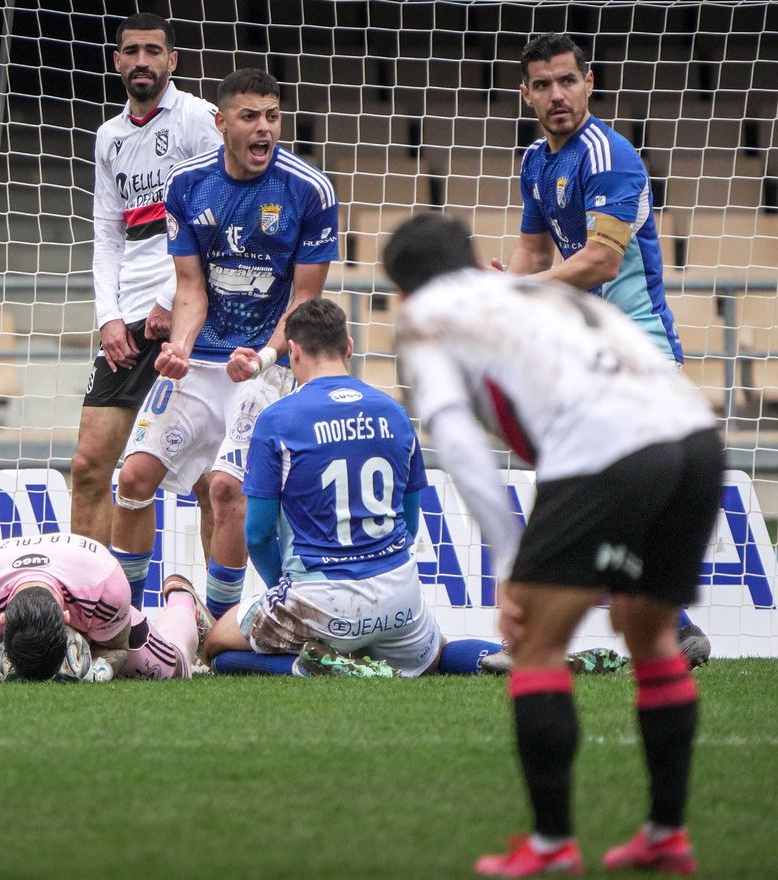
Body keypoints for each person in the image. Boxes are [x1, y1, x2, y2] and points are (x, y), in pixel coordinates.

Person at [384, 213, 723, 876]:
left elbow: (455, 440)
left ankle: (551, 844)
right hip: (695, 439)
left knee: (535, 643)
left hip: (607, 449)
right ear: (478, 262)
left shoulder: (427, 315)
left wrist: (510, 560)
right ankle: (666, 832)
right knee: (647, 633)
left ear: (403, 292)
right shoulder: (543, 291)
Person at [200, 298, 624, 680]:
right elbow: (410, 520)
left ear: (292, 352)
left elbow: (256, 533)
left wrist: (282, 588)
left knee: (217, 646)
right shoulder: (395, 414)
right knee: (436, 654)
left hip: (318, 600)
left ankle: (313, 666)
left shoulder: (277, 419)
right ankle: (526, 657)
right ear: (349, 345)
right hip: (398, 596)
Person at [500, 32, 711, 667]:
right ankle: (672, 628)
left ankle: (547, 633)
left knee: (587, 490)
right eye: (542, 85)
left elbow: (599, 260)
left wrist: (518, 293)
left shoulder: (611, 156)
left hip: (640, 351)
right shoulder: (536, 162)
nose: (556, 95)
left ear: (589, 83)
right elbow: (534, 253)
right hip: (589, 352)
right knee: (573, 484)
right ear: (526, 94)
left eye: (566, 80)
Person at [109, 68, 338, 623]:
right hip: (202, 360)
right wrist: (180, 349)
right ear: (221, 122)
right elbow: (190, 287)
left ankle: (216, 629)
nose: (265, 129)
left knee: (226, 489)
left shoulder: (309, 190)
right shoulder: (188, 184)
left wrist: (261, 358)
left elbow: (304, 304)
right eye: (250, 117)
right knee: (133, 480)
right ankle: (123, 625)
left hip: (265, 366)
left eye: (273, 117)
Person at [73, 12, 222, 555]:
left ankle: (212, 622)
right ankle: (84, 615)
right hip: (128, 322)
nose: (142, 61)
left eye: (153, 51)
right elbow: (107, 235)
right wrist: (108, 317)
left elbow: (218, 215)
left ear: (172, 60)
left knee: (209, 480)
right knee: (90, 467)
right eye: (131, 51)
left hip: (190, 315)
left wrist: (169, 302)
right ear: (117, 60)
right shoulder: (108, 137)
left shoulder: (199, 119)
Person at [0, 532, 211, 681]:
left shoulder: (105, 584)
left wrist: (101, 669)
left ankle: (183, 599)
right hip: (3, 595)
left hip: (94, 610)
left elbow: (114, 646)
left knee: (172, 669)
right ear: (0, 621)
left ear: (69, 618)